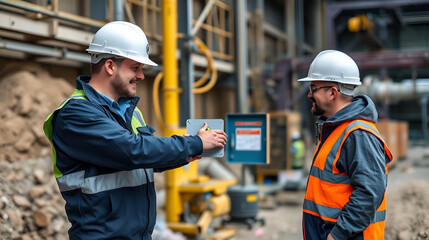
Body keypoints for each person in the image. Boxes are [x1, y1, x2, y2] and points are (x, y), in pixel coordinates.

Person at [43, 21, 227, 240]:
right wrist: (193, 143)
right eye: (135, 67)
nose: (141, 76)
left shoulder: (130, 112)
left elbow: (144, 159)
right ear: (110, 66)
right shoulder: (75, 114)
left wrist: (186, 152)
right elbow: (132, 150)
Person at [298, 50, 392, 240]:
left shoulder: (357, 135)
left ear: (333, 92)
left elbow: (369, 192)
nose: (309, 94)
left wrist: (338, 235)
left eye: (313, 87)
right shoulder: (335, 129)